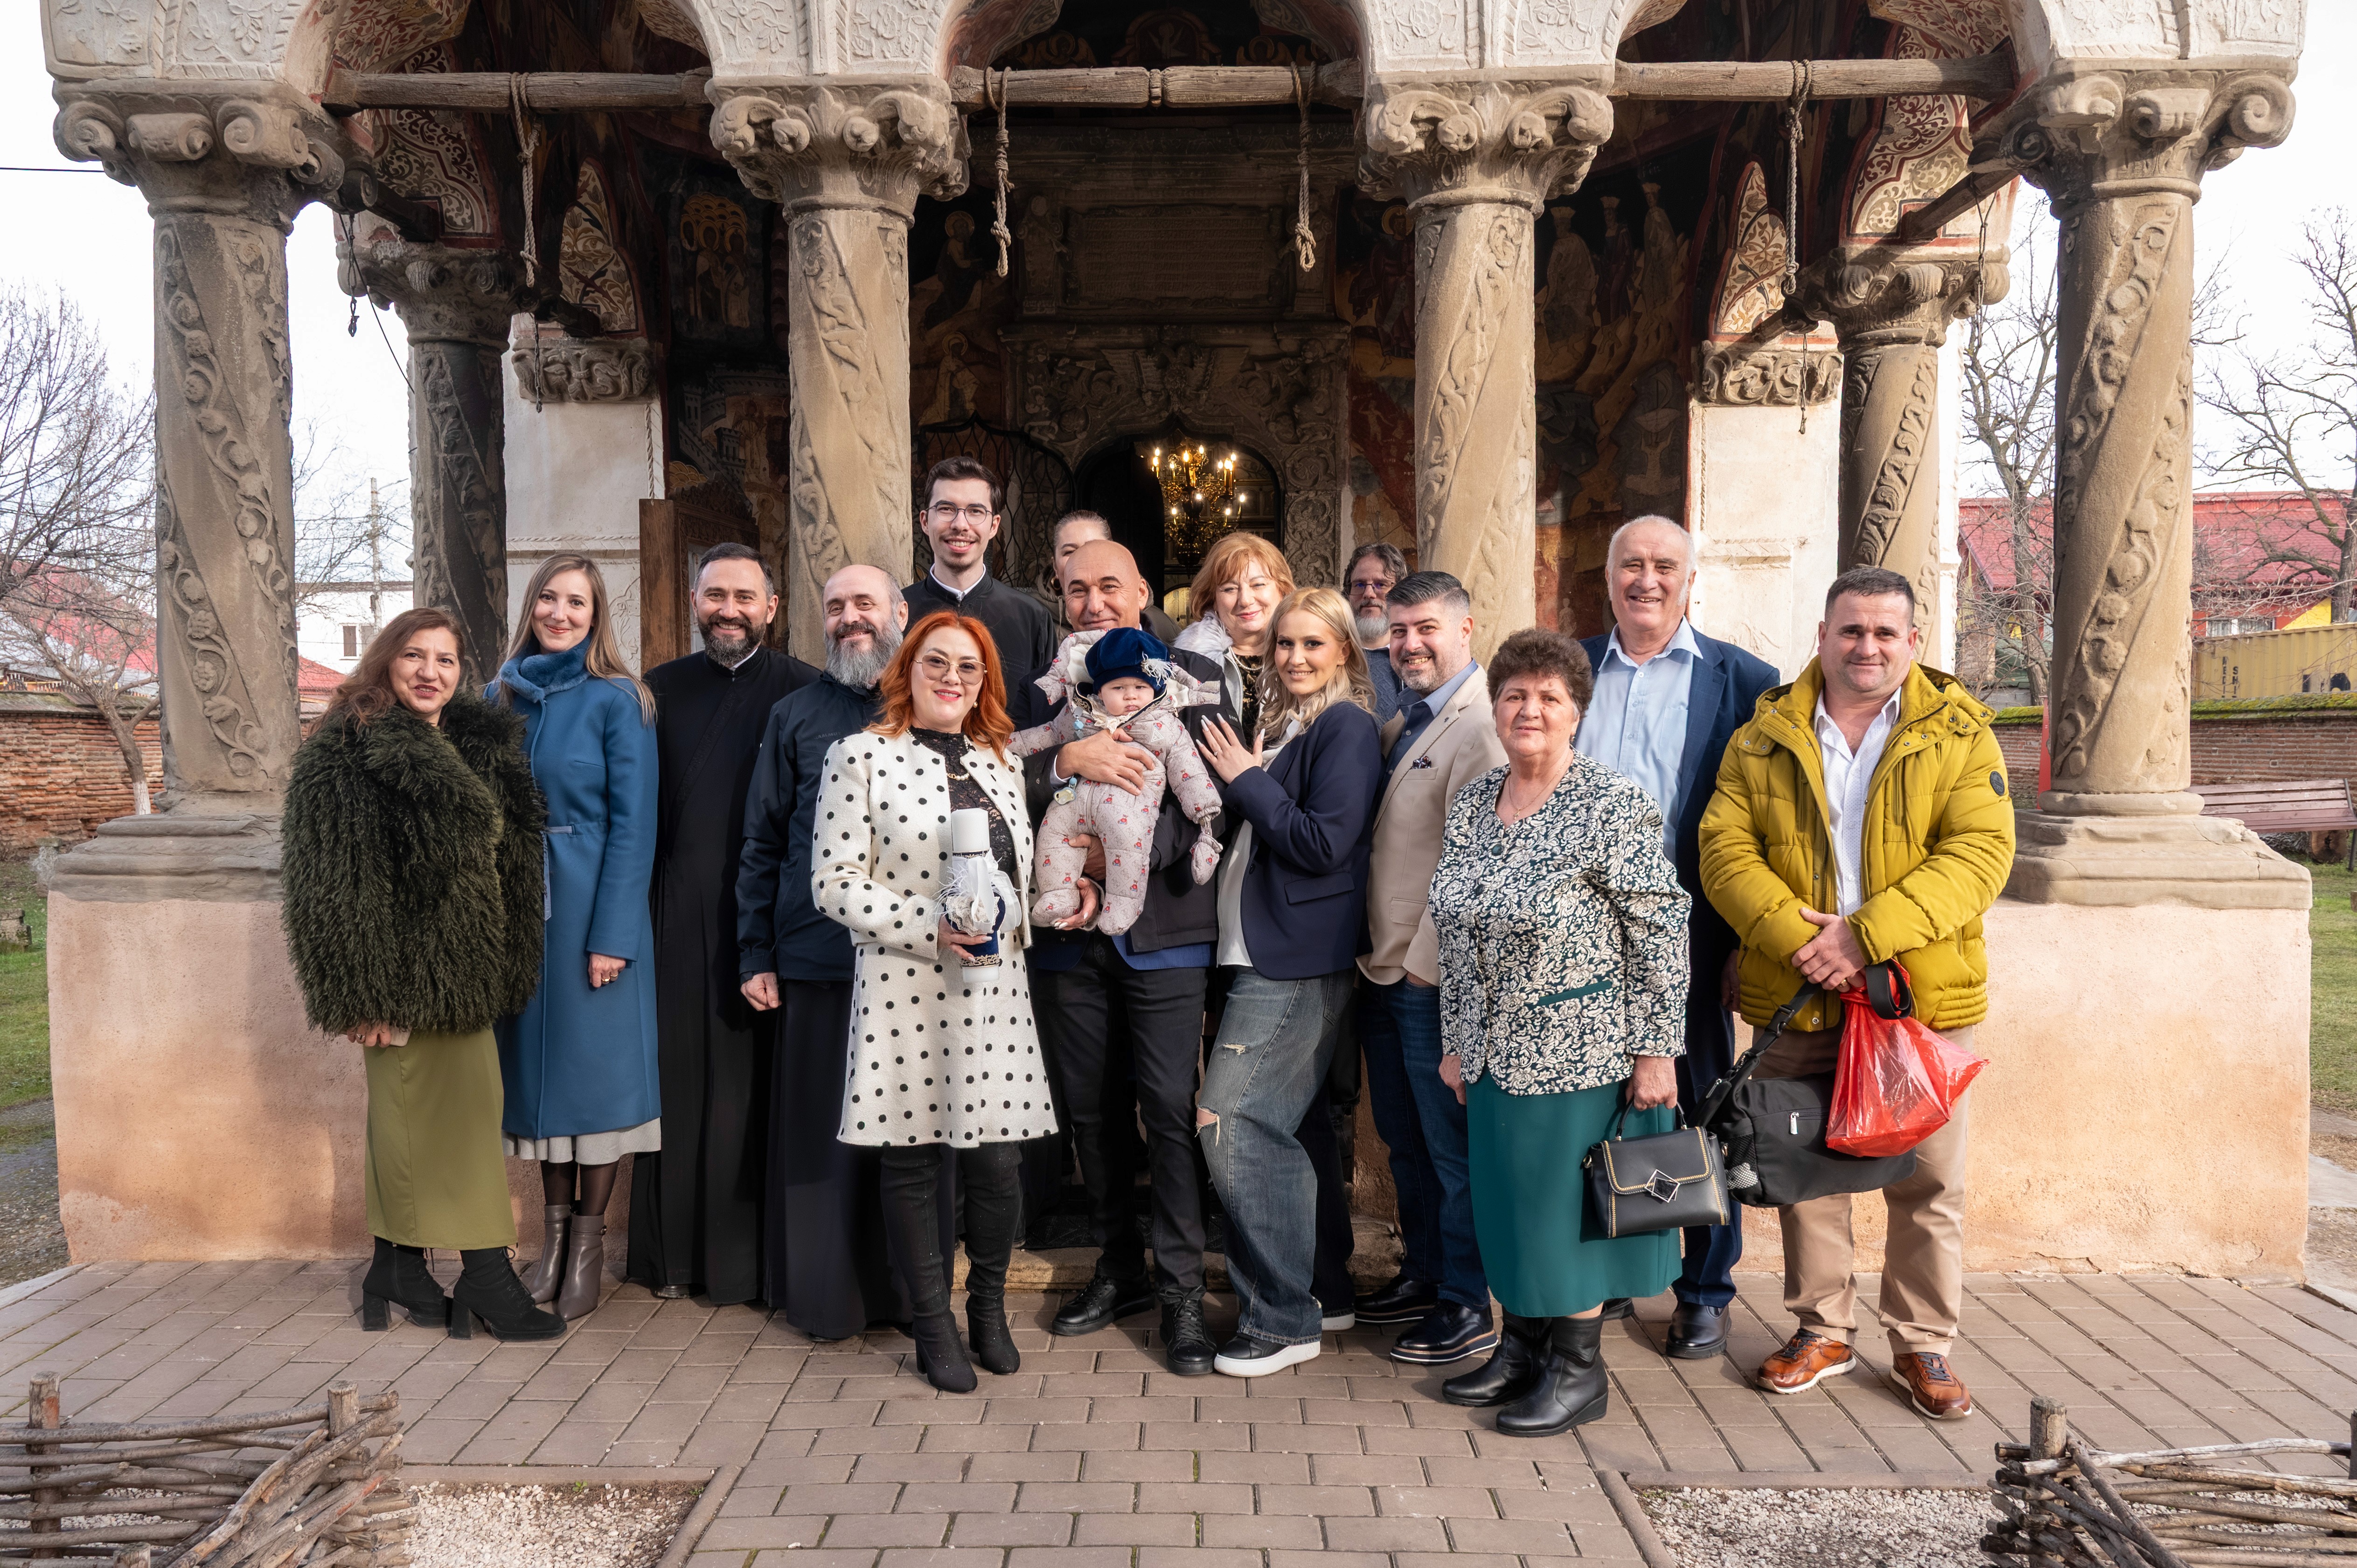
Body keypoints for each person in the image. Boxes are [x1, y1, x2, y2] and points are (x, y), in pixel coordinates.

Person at [1700, 566, 2014, 1421]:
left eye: (1884, 632)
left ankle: (1921, 1345)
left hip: (1914, 992)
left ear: (1912, 642)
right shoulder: (1762, 734)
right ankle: (1821, 1329)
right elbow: (1723, 849)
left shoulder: (1960, 734)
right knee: (1803, 1169)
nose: (1865, 646)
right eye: (1850, 630)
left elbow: (1979, 856)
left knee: (1927, 1178)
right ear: (1821, 635)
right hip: (1798, 989)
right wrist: (1802, 941)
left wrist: (1860, 936)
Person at [1426, 628, 1690, 1436]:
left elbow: (1659, 927)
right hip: (1492, 1053)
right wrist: (1455, 1037)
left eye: (1548, 696)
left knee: (1557, 1215)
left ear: (1576, 710)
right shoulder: (1476, 800)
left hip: (1582, 1048)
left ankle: (1578, 1372)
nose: (1528, 709)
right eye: (1514, 695)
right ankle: (1523, 1348)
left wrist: (1655, 1048)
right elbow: (1455, 931)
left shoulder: (1611, 803)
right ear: (1495, 707)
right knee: (1505, 1206)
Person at [281, 608, 563, 1341]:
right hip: (403, 974)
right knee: (458, 1122)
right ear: (385, 660)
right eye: (413, 655)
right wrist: (359, 992)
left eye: (444, 659)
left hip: (468, 965)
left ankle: (398, 1267)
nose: (429, 672)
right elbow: (331, 883)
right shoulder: (348, 750)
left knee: (413, 1121)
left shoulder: (473, 740)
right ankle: (486, 1275)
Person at [811, 610, 1055, 1393]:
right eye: (937, 663)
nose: (952, 678)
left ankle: (987, 1307)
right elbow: (834, 880)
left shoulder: (1000, 759)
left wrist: (1014, 916)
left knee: (997, 1164)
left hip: (994, 991)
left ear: (984, 682)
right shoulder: (860, 756)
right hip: (903, 985)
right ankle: (932, 1325)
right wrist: (931, 926)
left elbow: (1017, 873)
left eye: (968, 668)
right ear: (907, 670)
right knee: (912, 1162)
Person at [1575, 517, 1779, 1360]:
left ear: (1692, 580)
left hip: (1691, 933)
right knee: (1589, 1103)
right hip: (1577, 934)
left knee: (1695, 1107)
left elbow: (1765, 824)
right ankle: (1614, 1268)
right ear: (1609, 577)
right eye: (1632, 565)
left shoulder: (1745, 682)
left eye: (1664, 566)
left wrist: (1739, 944)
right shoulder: (1571, 668)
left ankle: (1703, 1290)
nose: (1646, 580)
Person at [1029, 538, 1224, 1376]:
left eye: (1109, 584)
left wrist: (1116, 860)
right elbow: (1002, 784)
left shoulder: (1191, 679)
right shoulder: (1053, 689)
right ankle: (1118, 1269)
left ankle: (1181, 1290)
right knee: (1090, 1114)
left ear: (1143, 590)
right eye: (1076, 589)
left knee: (1168, 1114)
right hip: (1073, 938)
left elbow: (1211, 798)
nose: (1093, 600)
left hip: (1166, 938)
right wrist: (1064, 764)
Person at [1194, 586, 1383, 1377]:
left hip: (1297, 958)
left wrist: (1244, 776)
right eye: (1284, 645)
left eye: (1313, 643)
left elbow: (1323, 842)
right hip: (1258, 948)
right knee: (1293, 1127)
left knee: (1229, 1119)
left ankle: (1278, 1318)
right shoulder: (1285, 725)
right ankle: (1322, 1290)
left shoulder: (1347, 726)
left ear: (1343, 649)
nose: (1295, 657)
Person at [629, 543, 817, 1307]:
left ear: (771, 607)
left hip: (773, 920)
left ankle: (757, 1263)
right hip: (675, 913)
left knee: (758, 1090)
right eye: (715, 595)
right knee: (679, 1079)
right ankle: (673, 1258)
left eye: (744, 596)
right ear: (694, 601)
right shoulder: (654, 692)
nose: (729, 609)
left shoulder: (807, 690)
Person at [738, 564, 912, 1339]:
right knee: (823, 1140)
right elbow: (762, 841)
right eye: (835, 605)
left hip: (918, 965)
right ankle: (824, 1302)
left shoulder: (937, 703)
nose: (849, 618)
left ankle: (913, 1300)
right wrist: (754, 951)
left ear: (898, 614)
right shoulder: (793, 715)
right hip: (816, 957)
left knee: (910, 1143)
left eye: (864, 604)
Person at [491, 553, 662, 1325]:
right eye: (551, 599)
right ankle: (551, 1247)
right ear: (531, 606)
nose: (562, 613)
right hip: (524, 917)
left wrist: (613, 936)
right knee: (539, 1087)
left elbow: (636, 827)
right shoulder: (498, 698)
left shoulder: (618, 700)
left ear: (597, 620)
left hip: (595, 913)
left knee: (595, 1087)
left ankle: (588, 1252)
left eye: (579, 604)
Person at [1352, 572, 1507, 1366]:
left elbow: (1469, 867)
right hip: (1380, 971)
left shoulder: (1478, 727)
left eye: (1424, 629)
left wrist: (1420, 973)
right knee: (1404, 1142)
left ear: (1464, 629)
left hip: (1428, 978)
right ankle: (1423, 1272)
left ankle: (1465, 1301)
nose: (1408, 644)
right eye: (1397, 632)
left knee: (1449, 1150)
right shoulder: (1406, 722)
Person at [906, 456, 1054, 722]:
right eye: (946, 509)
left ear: (994, 525)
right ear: (925, 521)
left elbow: (1047, 719)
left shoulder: (1032, 618)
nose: (961, 525)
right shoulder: (895, 614)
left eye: (975, 511)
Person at [1053, 510, 1181, 642]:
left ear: (1141, 593)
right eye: (1070, 551)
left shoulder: (1162, 627)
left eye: (1109, 587)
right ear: (1055, 565)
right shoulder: (1033, 619)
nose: (1095, 607)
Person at [1346, 542, 1408, 722]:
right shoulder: (1330, 653)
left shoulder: (1416, 654)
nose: (1369, 594)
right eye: (1359, 585)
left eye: (1381, 585)